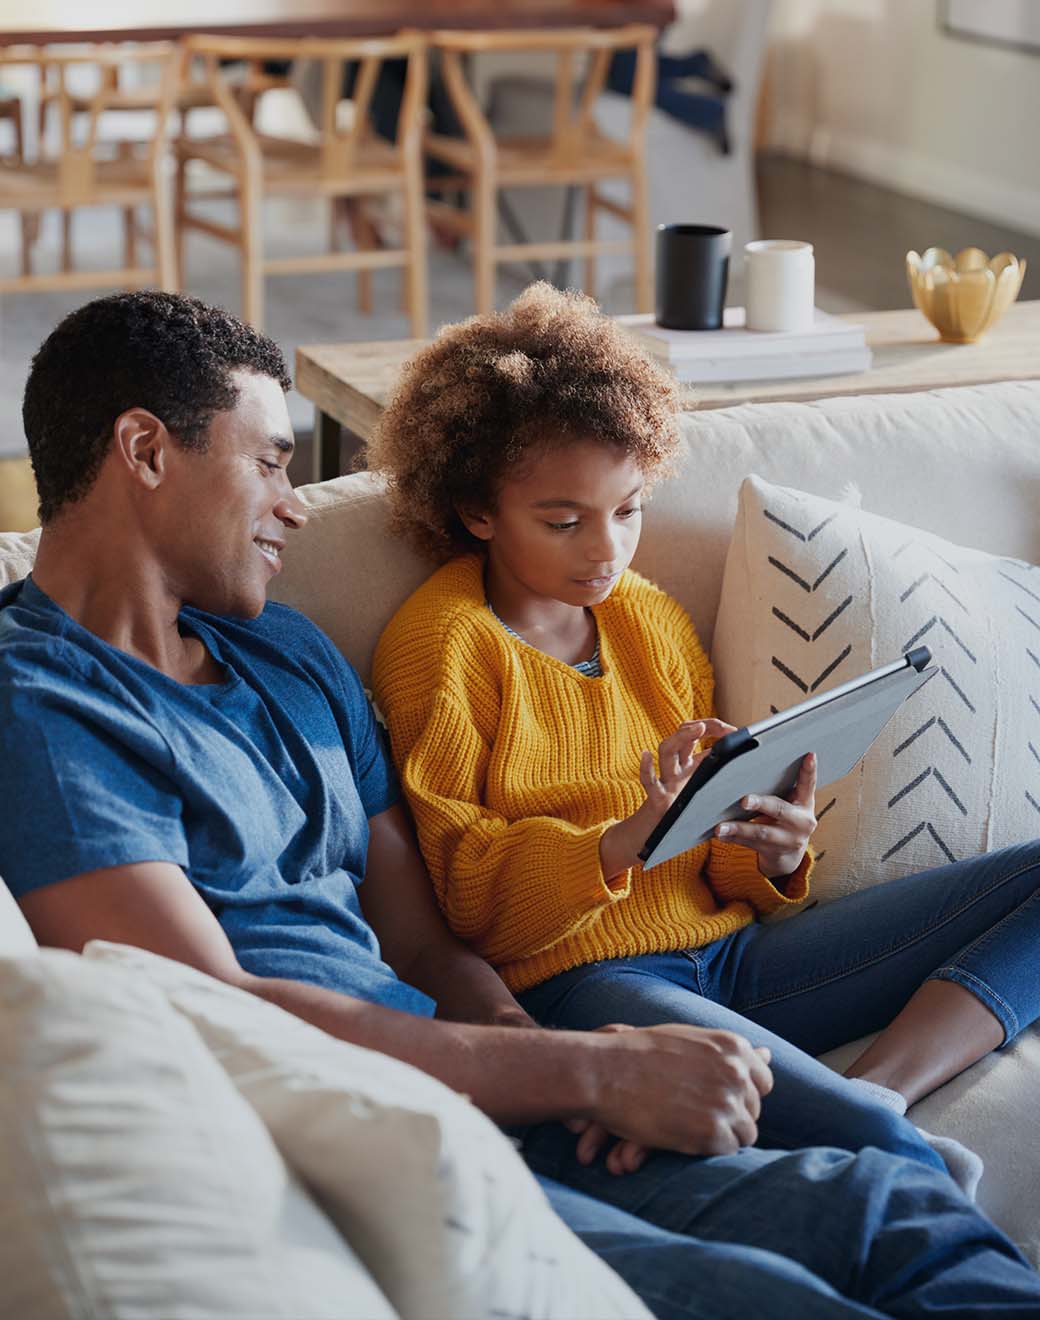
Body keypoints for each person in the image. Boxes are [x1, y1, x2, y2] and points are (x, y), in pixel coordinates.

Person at [2, 291, 1040, 1320]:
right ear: (144, 452)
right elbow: (215, 1010)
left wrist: (565, 1079)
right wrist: (579, 1069)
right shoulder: (44, 710)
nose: (294, 501)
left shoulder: (287, 653)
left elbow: (421, 944)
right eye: (271, 462)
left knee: (894, 1207)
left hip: (499, 1093)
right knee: (771, 1296)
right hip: (377, 1140)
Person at [369, 282, 1040, 1196]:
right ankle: (897, 1165)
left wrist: (766, 847)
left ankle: (882, 1088)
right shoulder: (440, 646)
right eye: (563, 522)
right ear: (478, 511)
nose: (607, 549)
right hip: (587, 982)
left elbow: (713, 866)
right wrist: (622, 839)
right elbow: (468, 905)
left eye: (629, 509)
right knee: (872, 1155)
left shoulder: (648, 618)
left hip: (733, 956)